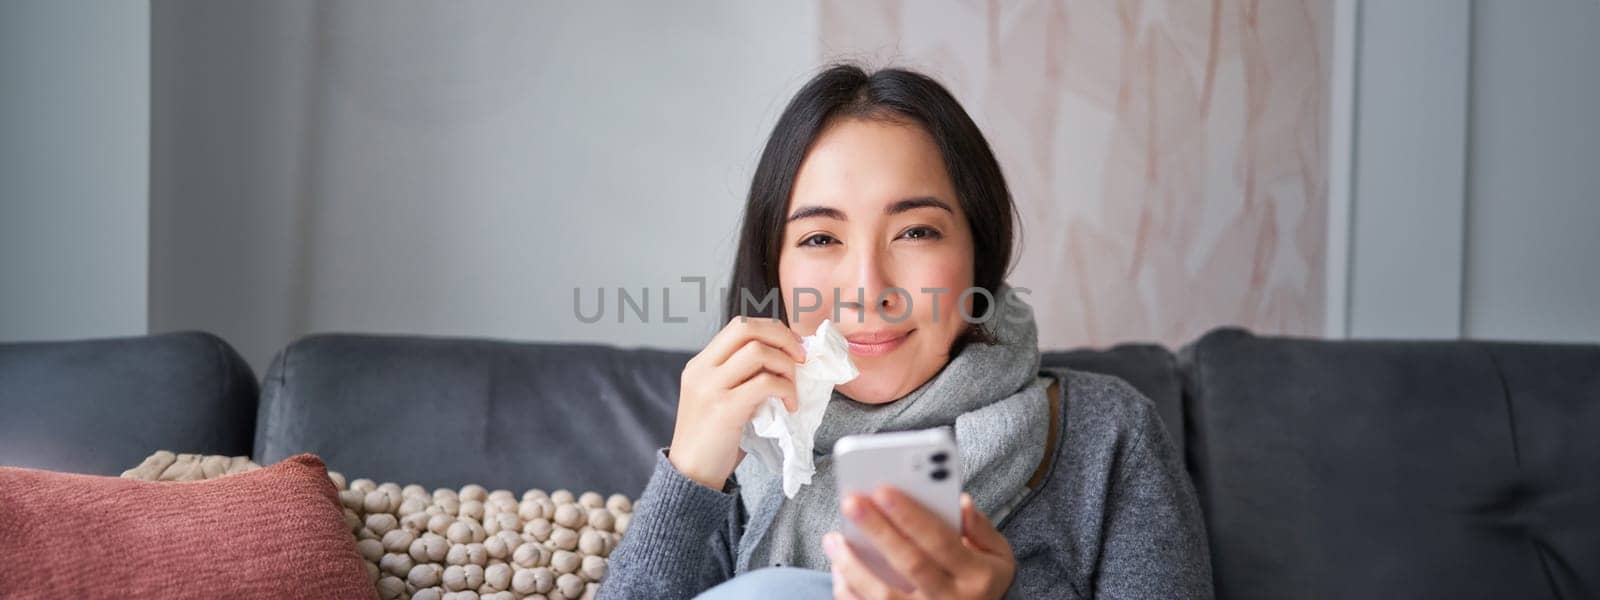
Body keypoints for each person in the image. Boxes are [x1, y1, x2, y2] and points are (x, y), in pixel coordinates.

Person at [598, 64, 1213, 599]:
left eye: (915, 232)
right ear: (774, 269)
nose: (868, 288)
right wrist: (688, 478)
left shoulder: (1108, 437)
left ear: (979, 250)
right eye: (820, 238)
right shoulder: (739, 446)